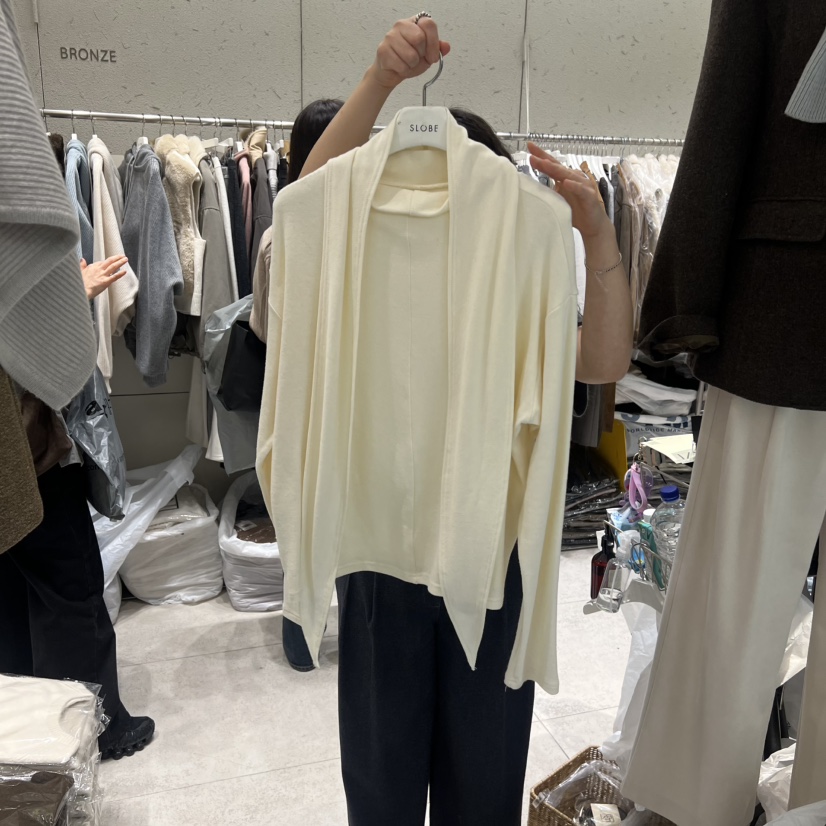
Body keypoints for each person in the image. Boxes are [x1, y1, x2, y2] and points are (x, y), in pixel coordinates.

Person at [295, 16, 634, 826]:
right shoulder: (359, 249)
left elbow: (603, 360)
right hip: (380, 554)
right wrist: (379, 81)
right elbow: (306, 203)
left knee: (480, 790)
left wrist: (594, 235)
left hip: (492, 559)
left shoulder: (515, 260)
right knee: (381, 790)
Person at [0, 254, 156, 761]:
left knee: (14, 589)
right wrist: (71, 300)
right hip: (28, 454)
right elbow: (23, 346)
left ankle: (34, 720)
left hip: (14, 459)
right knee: (71, 588)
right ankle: (100, 729)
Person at [249, 98, 344, 672]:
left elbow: (263, 327)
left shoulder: (278, 232)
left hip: (293, 398)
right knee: (353, 525)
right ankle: (358, 638)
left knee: (299, 522)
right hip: (350, 401)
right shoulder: (367, 229)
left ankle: (301, 646)